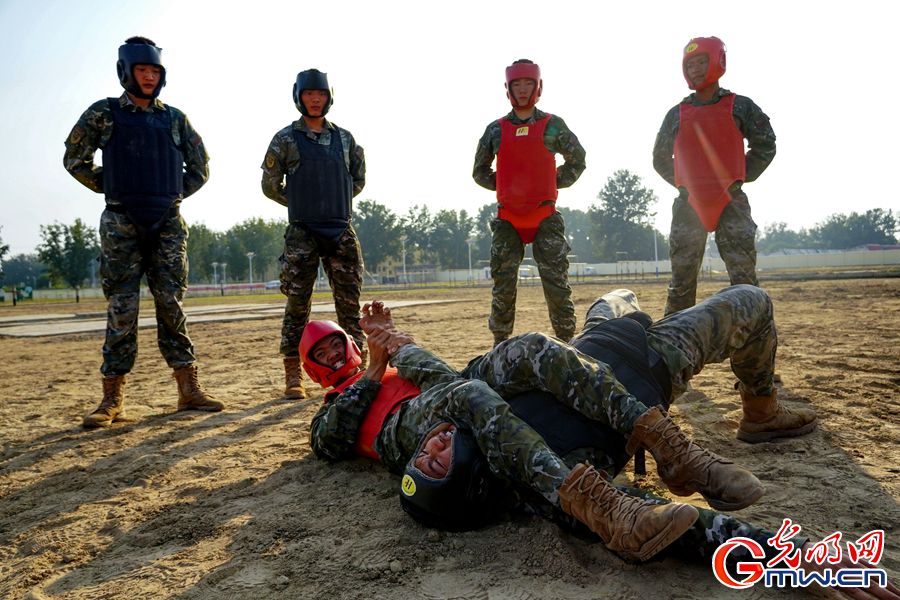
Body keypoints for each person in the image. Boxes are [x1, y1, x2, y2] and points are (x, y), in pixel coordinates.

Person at [304, 295, 778, 563]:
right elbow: (329, 441)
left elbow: (442, 377)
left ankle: (670, 445)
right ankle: (611, 500)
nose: (331, 358)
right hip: (419, 418)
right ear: (314, 371)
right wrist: (798, 560)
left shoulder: (419, 381)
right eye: (320, 357)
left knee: (534, 344)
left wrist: (397, 344)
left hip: (464, 387)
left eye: (334, 346)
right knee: (468, 397)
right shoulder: (333, 407)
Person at [64, 36, 223, 428]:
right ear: (125, 72)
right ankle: (111, 398)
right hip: (121, 223)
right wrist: (111, 185)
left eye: (155, 71)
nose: (149, 77)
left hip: (167, 223)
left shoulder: (175, 119)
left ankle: (189, 389)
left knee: (172, 305)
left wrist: (170, 194)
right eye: (142, 70)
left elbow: (200, 167)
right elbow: (74, 159)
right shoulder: (102, 114)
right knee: (123, 308)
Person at [261, 69, 367, 401]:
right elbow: (269, 185)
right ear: (299, 97)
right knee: (297, 304)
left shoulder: (346, 139)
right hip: (302, 232)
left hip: (340, 229)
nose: (315, 100)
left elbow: (358, 180)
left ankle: (355, 370)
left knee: (349, 305)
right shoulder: (285, 139)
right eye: (308, 94)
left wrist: (334, 202)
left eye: (320, 94)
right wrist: (301, 203)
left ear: (328, 96)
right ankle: (294, 375)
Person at [653, 37, 776, 316]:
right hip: (688, 206)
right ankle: (674, 348)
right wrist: (685, 185)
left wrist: (738, 178)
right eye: (689, 64)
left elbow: (766, 144)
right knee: (681, 285)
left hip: (731, 203)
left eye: (701, 62)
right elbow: (659, 158)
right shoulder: (677, 114)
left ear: (719, 62)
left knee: (745, 283)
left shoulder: (741, 107)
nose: (695, 69)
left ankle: (752, 345)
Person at [473, 59, 586, 346]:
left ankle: (567, 341)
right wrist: (507, 186)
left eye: (527, 84)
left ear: (538, 87)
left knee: (557, 283)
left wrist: (549, 182)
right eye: (516, 84)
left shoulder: (552, 125)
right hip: (507, 219)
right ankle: (500, 341)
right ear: (508, 89)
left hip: (545, 216)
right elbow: (479, 171)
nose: (522, 90)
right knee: (503, 286)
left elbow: (578, 159)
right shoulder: (495, 130)